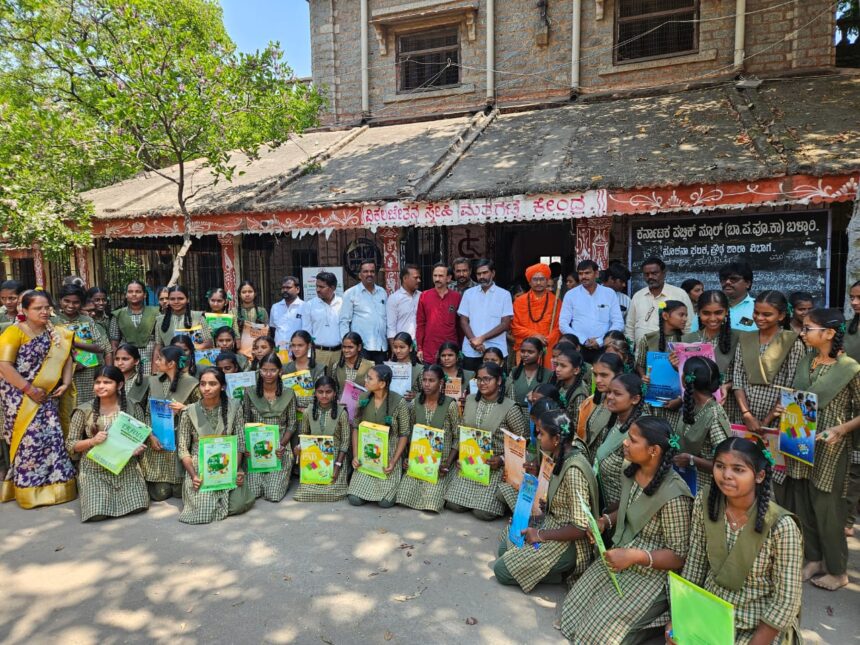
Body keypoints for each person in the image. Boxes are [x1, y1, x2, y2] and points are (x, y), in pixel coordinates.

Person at [561, 416, 693, 643]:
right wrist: (604, 522)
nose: (624, 443)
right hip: (622, 553)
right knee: (570, 616)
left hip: (651, 571)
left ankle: (655, 621)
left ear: (653, 450)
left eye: (632, 440)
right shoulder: (631, 470)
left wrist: (634, 557)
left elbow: (679, 556)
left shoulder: (674, 495)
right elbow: (628, 510)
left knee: (594, 638)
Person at [668, 437, 803, 645]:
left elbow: (786, 600)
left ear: (759, 476)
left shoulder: (781, 526)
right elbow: (695, 564)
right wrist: (681, 618)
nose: (726, 475)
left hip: (759, 626)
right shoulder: (706, 503)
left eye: (738, 470)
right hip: (710, 613)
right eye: (720, 466)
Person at [783, 308, 860, 592]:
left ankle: (838, 571)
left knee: (827, 508)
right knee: (803, 503)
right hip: (799, 438)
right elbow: (798, 398)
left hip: (830, 446)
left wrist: (841, 430)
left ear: (828, 333)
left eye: (808, 329)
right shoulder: (807, 361)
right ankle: (813, 559)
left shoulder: (850, 367)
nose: (802, 333)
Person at [494, 409, 599, 592]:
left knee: (501, 571)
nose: (537, 437)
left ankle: (562, 571)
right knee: (504, 548)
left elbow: (581, 528)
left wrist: (540, 535)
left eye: (541, 433)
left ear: (557, 438)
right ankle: (544, 568)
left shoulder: (574, 470)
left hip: (570, 542)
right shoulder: (561, 457)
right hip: (552, 524)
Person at [0, 290, 76, 508]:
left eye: (46, 307)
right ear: (24, 310)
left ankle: (57, 486)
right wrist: (30, 390)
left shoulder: (55, 332)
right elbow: (4, 365)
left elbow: (68, 357)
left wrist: (65, 383)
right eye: (37, 308)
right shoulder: (13, 332)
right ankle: (28, 491)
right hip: (21, 398)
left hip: (47, 396)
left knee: (52, 439)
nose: (44, 312)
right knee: (28, 443)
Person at [444, 362, 528, 520]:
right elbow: (462, 431)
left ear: (499, 381)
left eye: (487, 379)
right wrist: (458, 457)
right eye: (479, 379)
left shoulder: (510, 408)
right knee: (453, 505)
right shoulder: (469, 400)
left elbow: (523, 443)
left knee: (483, 513)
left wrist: (502, 460)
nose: (482, 383)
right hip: (470, 463)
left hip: (494, 467)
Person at [66, 366, 149, 522]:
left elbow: (141, 437)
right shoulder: (84, 410)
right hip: (94, 470)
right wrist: (92, 441)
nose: (101, 386)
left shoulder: (133, 407)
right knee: (97, 514)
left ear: (120, 385)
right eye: (98, 382)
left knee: (138, 507)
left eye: (107, 382)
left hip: (125, 468)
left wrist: (136, 449)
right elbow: (70, 445)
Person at [177, 367, 254, 524]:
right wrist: (194, 476)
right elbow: (183, 449)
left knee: (239, 505)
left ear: (223, 386)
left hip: (228, 463)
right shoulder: (189, 411)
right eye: (203, 383)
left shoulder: (234, 407)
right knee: (202, 514)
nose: (206, 388)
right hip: (199, 465)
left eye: (212, 384)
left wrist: (236, 470)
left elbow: (239, 443)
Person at [732, 291, 806, 435]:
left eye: (766, 314)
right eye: (756, 312)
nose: (759, 318)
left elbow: (791, 388)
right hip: (743, 414)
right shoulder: (745, 338)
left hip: (777, 417)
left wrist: (766, 421)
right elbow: (737, 379)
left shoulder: (793, 344)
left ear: (781, 316)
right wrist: (746, 414)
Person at [396, 364, 460, 513]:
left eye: (431, 380)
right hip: (418, 461)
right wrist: (407, 458)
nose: (426, 384)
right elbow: (409, 433)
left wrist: (448, 463)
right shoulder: (414, 403)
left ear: (441, 383)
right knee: (403, 498)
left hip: (440, 464)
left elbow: (458, 437)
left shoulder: (450, 405)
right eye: (424, 380)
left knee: (431, 505)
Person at [139, 345, 200, 501]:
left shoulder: (192, 383)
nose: (157, 361)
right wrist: (150, 435)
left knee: (180, 491)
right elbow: (147, 412)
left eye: (160, 359)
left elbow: (203, 410)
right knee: (160, 494)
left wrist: (185, 408)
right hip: (158, 439)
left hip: (181, 438)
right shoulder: (154, 382)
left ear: (171, 364)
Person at [347, 364, 412, 508]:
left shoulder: (399, 402)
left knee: (385, 503)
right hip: (367, 453)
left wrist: (394, 462)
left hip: (389, 454)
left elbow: (404, 434)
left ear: (382, 383)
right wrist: (356, 455)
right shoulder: (363, 397)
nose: (366, 381)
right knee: (354, 499)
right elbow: (356, 427)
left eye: (370, 378)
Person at [243, 353, 297, 503]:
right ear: (259, 370)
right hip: (255, 449)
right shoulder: (250, 392)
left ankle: (281, 477)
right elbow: (245, 420)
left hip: (279, 448)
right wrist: (247, 446)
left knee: (272, 495)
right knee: (253, 493)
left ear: (280, 371)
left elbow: (292, 423)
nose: (268, 374)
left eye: (273, 370)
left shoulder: (288, 393)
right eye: (264, 370)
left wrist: (282, 445)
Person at [680, 289, 741, 421]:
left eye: (718, 313)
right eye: (706, 313)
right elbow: (685, 378)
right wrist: (676, 365)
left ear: (726, 311)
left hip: (726, 403)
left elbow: (743, 376)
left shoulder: (738, 338)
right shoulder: (688, 340)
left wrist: (727, 386)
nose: (712, 318)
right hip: (695, 404)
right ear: (698, 312)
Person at [674, 357, 731, 495]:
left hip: (707, 489)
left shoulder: (714, 415)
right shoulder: (692, 405)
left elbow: (726, 464)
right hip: (687, 482)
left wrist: (692, 460)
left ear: (684, 380)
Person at [293, 376, 351, 503]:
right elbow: (304, 435)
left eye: (328, 392)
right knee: (305, 493)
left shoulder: (342, 413)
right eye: (320, 392)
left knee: (332, 491)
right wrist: (298, 448)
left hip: (335, 458)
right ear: (315, 393)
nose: (324, 395)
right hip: (314, 457)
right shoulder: (308, 411)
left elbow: (345, 442)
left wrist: (337, 466)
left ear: (334, 393)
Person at [593, 373, 646, 509]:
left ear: (635, 399)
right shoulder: (617, 421)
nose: (609, 397)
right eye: (609, 392)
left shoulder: (640, 433)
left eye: (617, 394)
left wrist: (610, 517)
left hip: (621, 512)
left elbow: (638, 488)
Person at [54, 283, 113, 404]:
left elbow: (100, 347)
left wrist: (73, 342)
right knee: (66, 407)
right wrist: (74, 363)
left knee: (87, 407)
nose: (71, 305)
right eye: (67, 301)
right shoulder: (53, 321)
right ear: (60, 300)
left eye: (75, 302)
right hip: (61, 373)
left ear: (81, 303)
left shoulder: (87, 320)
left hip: (86, 372)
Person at [560, 260, 624, 363]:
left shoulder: (609, 293)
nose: (583, 276)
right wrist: (583, 340)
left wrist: (601, 340)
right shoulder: (571, 295)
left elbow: (618, 323)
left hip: (605, 347)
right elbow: (563, 324)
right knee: (580, 377)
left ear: (596, 273)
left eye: (587, 273)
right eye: (580, 274)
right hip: (579, 347)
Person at [458, 260, 513, 372]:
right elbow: (463, 321)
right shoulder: (469, 293)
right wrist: (474, 341)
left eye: (485, 273)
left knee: (495, 384)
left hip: (496, 350)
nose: (482, 276)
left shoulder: (504, 295)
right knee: (471, 384)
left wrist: (482, 338)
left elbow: (505, 324)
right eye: (479, 274)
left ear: (493, 273)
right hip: (471, 349)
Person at [625, 257, 693, 344]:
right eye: (646, 274)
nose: (650, 277)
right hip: (640, 353)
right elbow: (630, 327)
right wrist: (630, 349)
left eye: (654, 273)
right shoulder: (638, 296)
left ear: (664, 273)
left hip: (671, 353)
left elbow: (689, 326)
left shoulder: (679, 294)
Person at [511, 262, 561, 368]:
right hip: (526, 349)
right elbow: (515, 327)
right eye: (535, 279)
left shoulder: (556, 302)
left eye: (542, 279)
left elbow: (558, 327)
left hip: (547, 347)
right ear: (529, 282)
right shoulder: (519, 302)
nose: (538, 282)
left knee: (547, 379)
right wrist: (534, 336)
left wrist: (546, 340)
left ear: (547, 280)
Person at [339, 261, 388, 364]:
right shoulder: (351, 293)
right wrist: (347, 345)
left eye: (372, 271)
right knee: (362, 378)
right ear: (360, 275)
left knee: (380, 378)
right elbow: (344, 321)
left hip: (381, 347)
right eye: (365, 271)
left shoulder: (382, 292)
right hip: (362, 347)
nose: (369, 274)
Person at [580, 353, 625, 462]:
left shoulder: (626, 406)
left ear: (619, 374)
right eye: (595, 374)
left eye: (604, 375)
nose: (598, 380)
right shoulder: (598, 399)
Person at [110, 280, 160, 376]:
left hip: (150, 357)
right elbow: (114, 344)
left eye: (138, 291)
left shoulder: (156, 313)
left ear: (144, 295)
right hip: (125, 358)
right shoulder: (118, 314)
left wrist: (156, 367)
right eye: (130, 292)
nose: (134, 294)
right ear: (126, 295)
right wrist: (116, 364)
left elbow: (159, 342)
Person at [416, 263, 461, 365]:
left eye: (441, 276)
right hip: (430, 349)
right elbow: (420, 324)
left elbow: (460, 325)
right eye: (435, 275)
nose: (437, 279)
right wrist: (419, 348)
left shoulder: (456, 297)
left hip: (450, 349)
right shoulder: (424, 296)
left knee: (451, 380)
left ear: (448, 278)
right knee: (430, 379)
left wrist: (460, 348)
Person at [301, 271, 344, 373]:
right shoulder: (310, 305)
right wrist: (307, 356)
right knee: (319, 385)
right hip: (318, 353)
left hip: (339, 353)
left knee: (337, 385)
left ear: (333, 288)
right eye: (316, 286)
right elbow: (306, 332)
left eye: (321, 287)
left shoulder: (342, 303)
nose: (317, 290)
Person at [634, 300, 687, 376]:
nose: (685, 319)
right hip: (654, 386)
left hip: (679, 387)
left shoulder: (687, 339)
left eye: (686, 315)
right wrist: (644, 377)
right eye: (681, 315)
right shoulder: (648, 338)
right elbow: (640, 365)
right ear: (665, 316)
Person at [155, 285, 211, 352]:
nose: (176, 302)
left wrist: (187, 348)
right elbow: (158, 345)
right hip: (170, 361)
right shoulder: (160, 321)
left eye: (180, 298)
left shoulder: (198, 317)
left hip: (195, 360)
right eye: (172, 299)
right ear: (169, 301)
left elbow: (209, 343)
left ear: (187, 300)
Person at [283, 330, 325, 410]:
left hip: (312, 414)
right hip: (288, 414)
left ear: (309, 346)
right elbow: (280, 395)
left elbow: (319, 397)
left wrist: (293, 400)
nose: (296, 349)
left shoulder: (318, 369)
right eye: (293, 345)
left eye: (300, 345)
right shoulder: (285, 368)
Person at [506, 336, 550, 409]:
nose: (525, 354)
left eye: (530, 352)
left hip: (538, 415)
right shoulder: (514, 371)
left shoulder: (549, 374)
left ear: (540, 353)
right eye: (522, 351)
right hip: (515, 414)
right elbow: (509, 397)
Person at [552, 345, 589, 429]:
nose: (557, 369)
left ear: (576, 370)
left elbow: (578, 425)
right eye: (557, 365)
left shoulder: (580, 394)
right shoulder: (561, 384)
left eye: (563, 366)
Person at [386, 264, 421, 343]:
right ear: (405, 278)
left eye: (419, 277)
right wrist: (394, 349)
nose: (419, 280)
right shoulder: (394, 299)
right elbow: (391, 327)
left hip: (420, 345)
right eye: (416, 278)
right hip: (402, 345)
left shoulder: (422, 296)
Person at [719, 260, 756, 332]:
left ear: (747, 283)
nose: (727, 282)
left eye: (733, 279)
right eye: (723, 279)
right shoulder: (710, 307)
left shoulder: (758, 307)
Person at [270, 275, 304, 352]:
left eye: (288, 288)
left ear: (297, 289)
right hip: (279, 351)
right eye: (283, 288)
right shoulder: (275, 307)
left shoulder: (305, 307)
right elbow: (273, 330)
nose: (285, 290)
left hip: (298, 351)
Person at [388, 331, 422, 401]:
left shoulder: (419, 369)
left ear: (410, 348)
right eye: (395, 347)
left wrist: (416, 395)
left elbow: (428, 393)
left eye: (402, 347)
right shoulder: (389, 367)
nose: (398, 351)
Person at [113, 343, 150, 408]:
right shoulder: (110, 380)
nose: (120, 363)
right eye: (117, 359)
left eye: (125, 359)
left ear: (136, 361)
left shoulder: (145, 381)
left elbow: (149, 410)